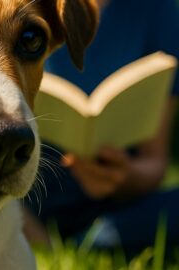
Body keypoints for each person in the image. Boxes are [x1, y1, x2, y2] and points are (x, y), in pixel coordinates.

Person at [24, 0, 179, 255]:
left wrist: (124, 177)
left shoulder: (156, 9)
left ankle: (89, 242)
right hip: (27, 197)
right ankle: (76, 243)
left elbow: (155, 161)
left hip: (112, 206)